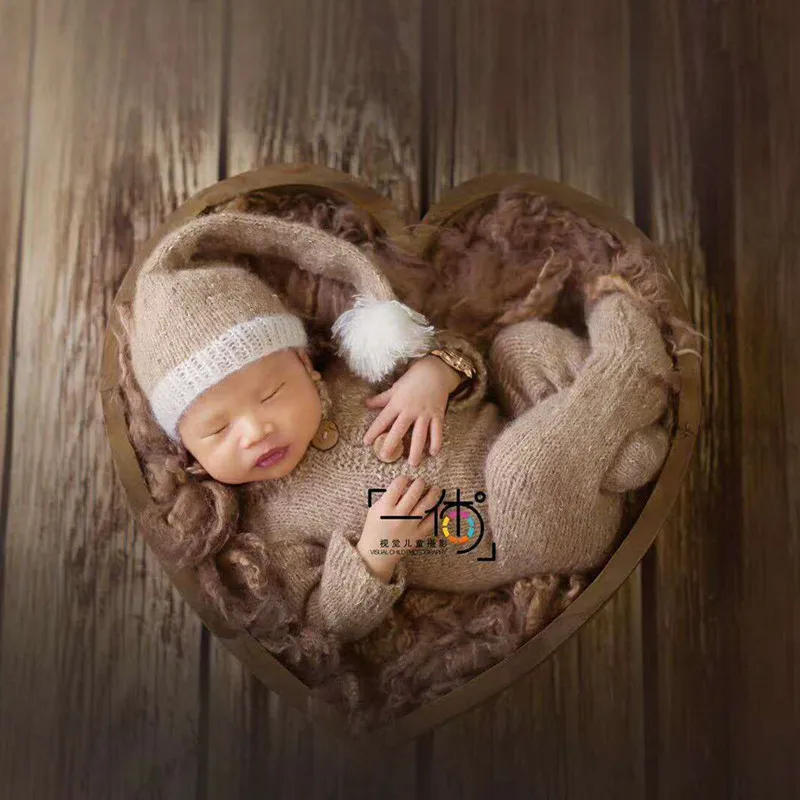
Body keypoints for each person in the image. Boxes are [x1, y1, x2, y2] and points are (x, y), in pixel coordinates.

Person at [129, 211, 673, 643]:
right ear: (189, 454)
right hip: (518, 533)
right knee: (520, 466)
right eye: (218, 430)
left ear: (303, 365)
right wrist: (374, 554)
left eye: (271, 393)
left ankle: (622, 452)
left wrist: (434, 375)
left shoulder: (358, 374)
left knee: (518, 348)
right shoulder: (271, 525)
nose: (254, 431)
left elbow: (469, 358)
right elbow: (325, 620)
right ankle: (631, 371)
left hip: (544, 446)